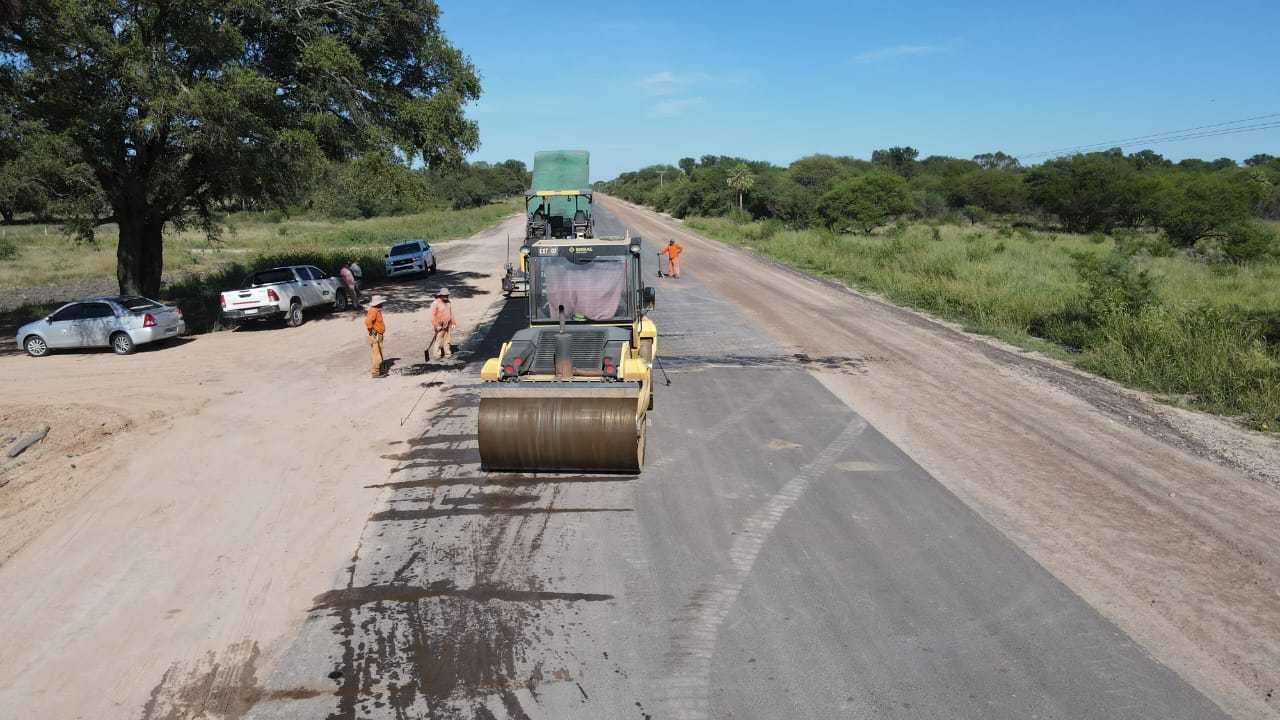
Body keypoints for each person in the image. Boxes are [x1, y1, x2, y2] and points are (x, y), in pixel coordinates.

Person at [428, 288, 457, 359]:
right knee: (438, 340)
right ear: (440, 295)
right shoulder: (435, 303)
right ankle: (437, 354)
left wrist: (453, 322)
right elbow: (432, 316)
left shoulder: (448, 302)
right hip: (439, 325)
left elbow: (451, 313)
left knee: (447, 340)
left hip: (447, 324)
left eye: (447, 295)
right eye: (445, 295)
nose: (446, 297)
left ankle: (447, 353)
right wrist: (436, 325)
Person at [365, 295, 387, 378]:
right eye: (381, 303)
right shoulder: (373, 311)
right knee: (376, 354)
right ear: (378, 303)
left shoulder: (376, 310)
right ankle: (375, 372)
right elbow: (368, 322)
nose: (382, 304)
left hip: (378, 334)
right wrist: (372, 331)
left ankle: (378, 369)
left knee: (378, 352)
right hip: (376, 335)